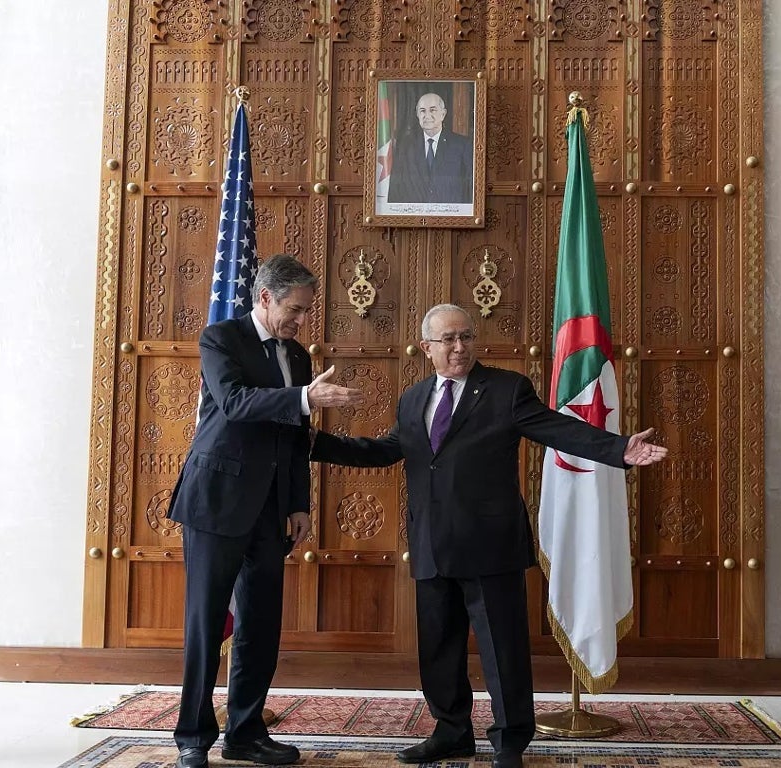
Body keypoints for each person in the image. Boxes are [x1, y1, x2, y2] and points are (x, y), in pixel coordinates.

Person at [310, 304, 667, 768]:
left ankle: (509, 741)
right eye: (448, 340)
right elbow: (386, 450)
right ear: (427, 348)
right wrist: (314, 443)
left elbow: (557, 429)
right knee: (438, 649)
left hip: (490, 544)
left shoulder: (506, 390)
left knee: (504, 651)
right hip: (432, 544)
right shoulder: (414, 398)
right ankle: (451, 731)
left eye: (466, 337)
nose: (459, 347)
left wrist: (619, 448)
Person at [169, 255, 364, 768]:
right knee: (207, 623)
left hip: (269, 510)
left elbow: (294, 439)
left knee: (260, 623)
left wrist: (298, 503)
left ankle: (246, 732)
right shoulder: (221, 339)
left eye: (305, 310)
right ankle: (192, 735)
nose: (300, 320)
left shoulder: (298, 356)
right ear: (265, 298)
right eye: (294, 309)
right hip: (215, 503)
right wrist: (302, 397)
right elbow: (233, 403)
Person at [386, 92, 473, 204]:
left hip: (450, 217)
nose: (427, 116)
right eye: (422, 111)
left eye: (432, 110)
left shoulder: (462, 145)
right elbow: (396, 188)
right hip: (415, 218)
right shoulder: (405, 147)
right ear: (417, 115)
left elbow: (470, 188)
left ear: (443, 114)